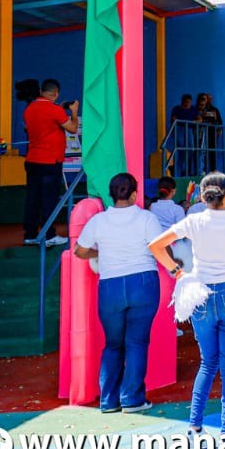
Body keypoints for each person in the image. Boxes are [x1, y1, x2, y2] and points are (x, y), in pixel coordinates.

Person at [151, 172, 225, 435]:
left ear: (202, 197)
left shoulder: (193, 220)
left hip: (201, 293)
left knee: (208, 363)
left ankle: (195, 426)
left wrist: (177, 272)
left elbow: (155, 246)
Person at [71, 173, 163, 412]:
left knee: (113, 344)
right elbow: (159, 248)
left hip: (110, 285)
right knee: (137, 342)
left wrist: (100, 253)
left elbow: (79, 251)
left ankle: (109, 400)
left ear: (111, 195)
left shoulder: (98, 221)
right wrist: (176, 268)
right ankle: (132, 398)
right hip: (143, 282)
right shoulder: (146, 218)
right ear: (134, 195)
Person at [23, 80, 78, 247]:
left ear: (41, 91)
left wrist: (59, 109)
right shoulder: (55, 110)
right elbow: (73, 128)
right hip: (50, 161)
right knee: (49, 199)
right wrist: (74, 112)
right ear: (56, 93)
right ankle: (49, 235)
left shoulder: (30, 108)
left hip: (32, 160)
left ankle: (30, 235)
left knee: (33, 199)